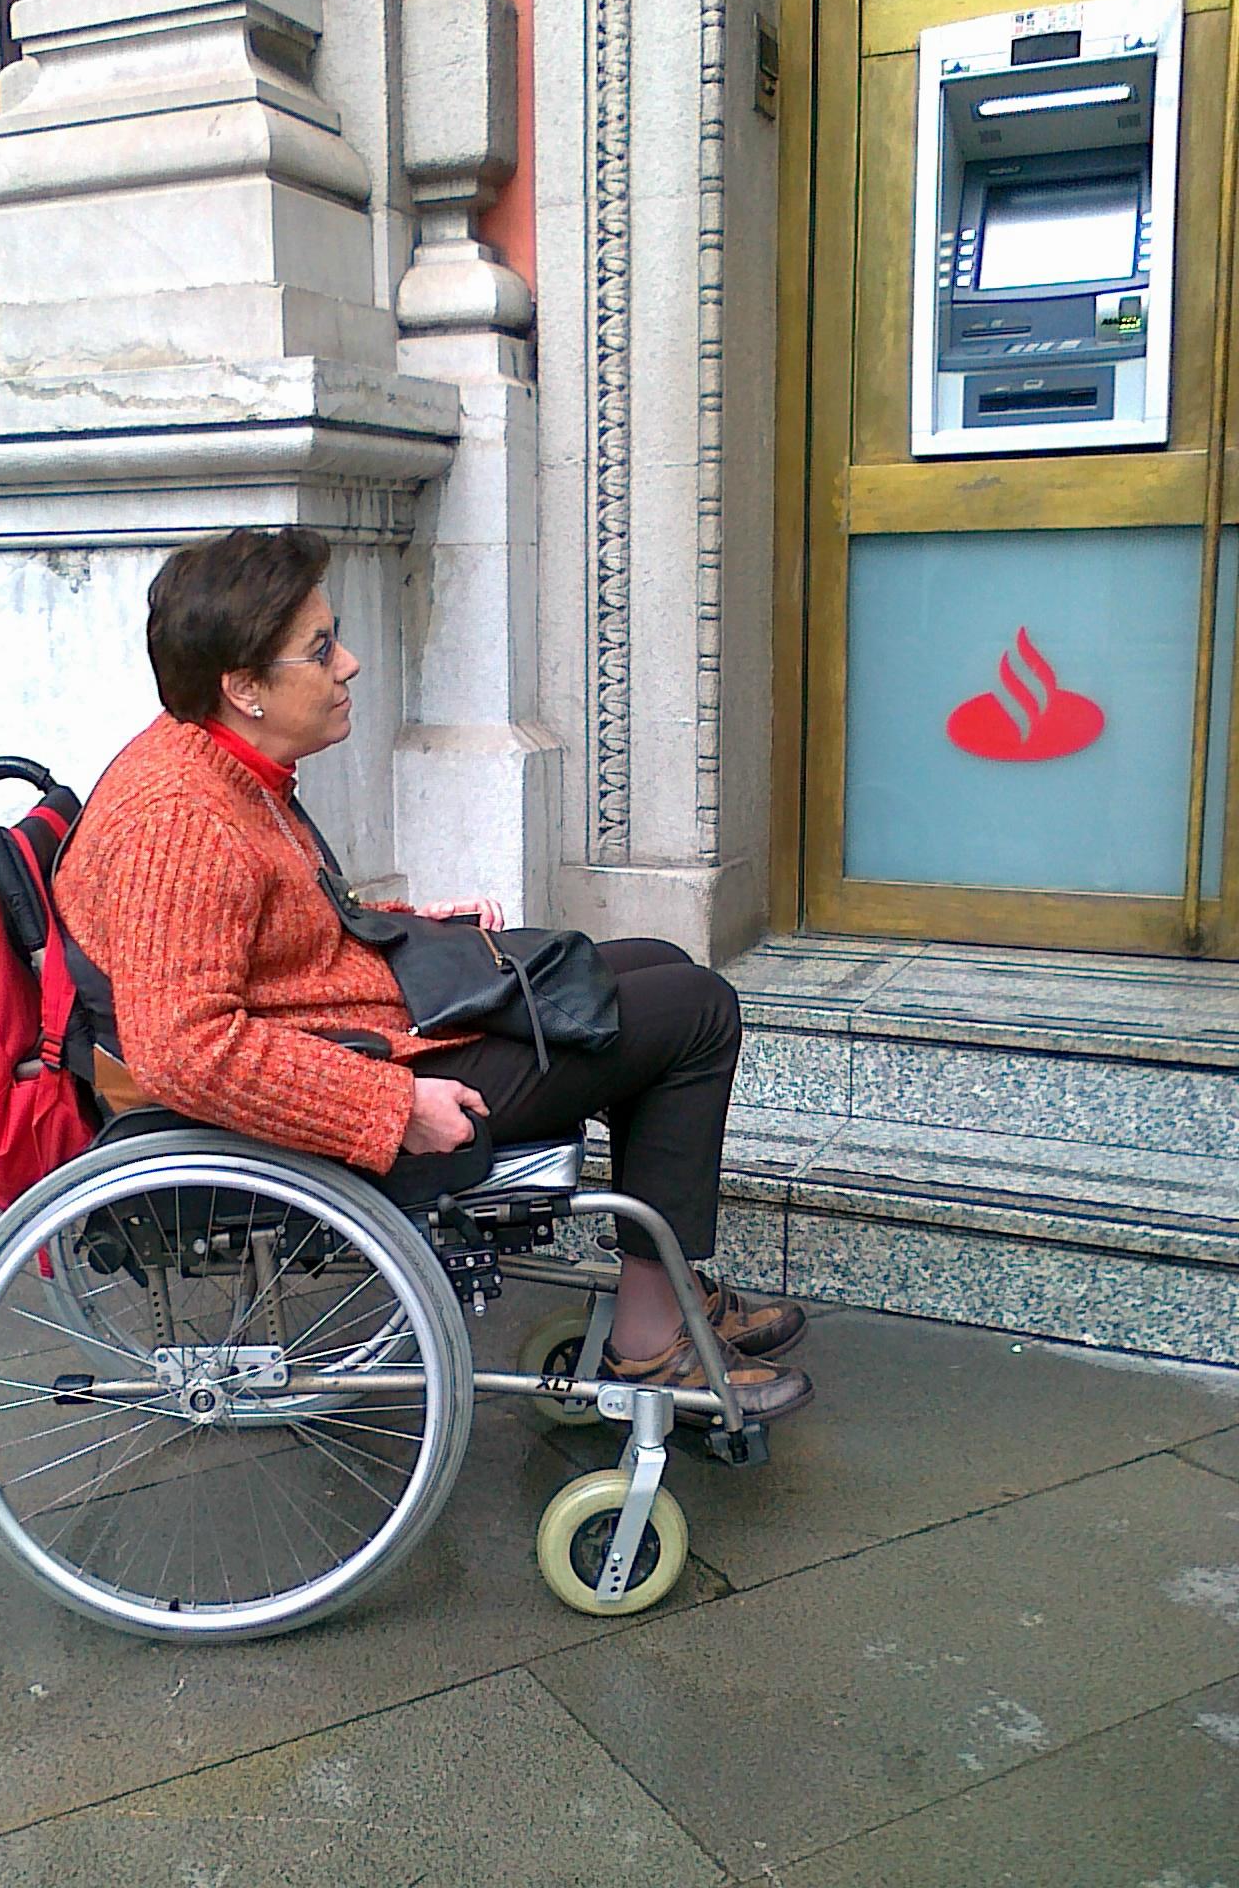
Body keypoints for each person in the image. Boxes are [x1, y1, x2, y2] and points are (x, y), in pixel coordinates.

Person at [54, 528, 812, 1419]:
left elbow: (280, 928)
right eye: (321, 649)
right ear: (244, 688)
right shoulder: (180, 820)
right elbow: (182, 1047)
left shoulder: (221, 767)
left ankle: (670, 1284)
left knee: (656, 965)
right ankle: (650, 1342)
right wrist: (390, 1109)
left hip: (356, 1021)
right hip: (363, 1072)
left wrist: (411, 929)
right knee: (695, 1010)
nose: (352, 664)